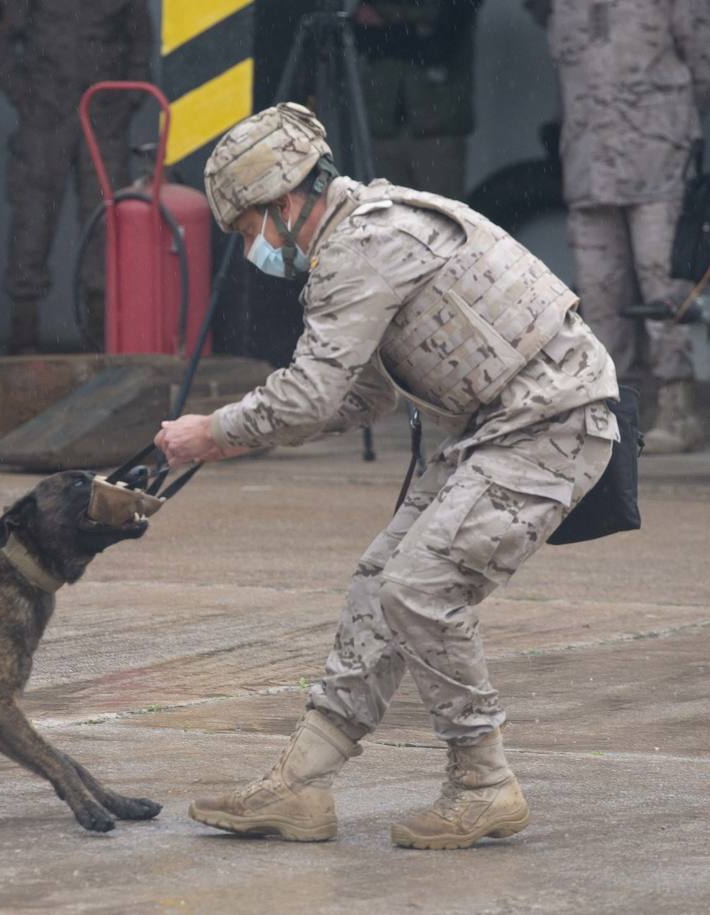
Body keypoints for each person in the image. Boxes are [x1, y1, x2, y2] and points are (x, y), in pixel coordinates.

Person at [157, 103, 618, 849]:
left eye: (247, 229)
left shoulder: (363, 245)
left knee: (420, 588)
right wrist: (256, 425)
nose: (253, 248)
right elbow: (362, 392)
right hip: (494, 427)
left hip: (548, 422)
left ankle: (483, 780)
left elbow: (311, 396)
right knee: (380, 583)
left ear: (281, 203)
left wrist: (213, 433)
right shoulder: (357, 235)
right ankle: (301, 783)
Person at [529, 0, 709, 453]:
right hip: (587, 158)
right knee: (599, 291)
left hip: (658, 157)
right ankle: (612, 409)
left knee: (663, 282)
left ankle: (677, 407)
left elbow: (703, 60)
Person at [0, 0, 152, 353]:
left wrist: (129, 99)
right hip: (46, 115)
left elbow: (140, 37)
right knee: (33, 217)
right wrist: (24, 97)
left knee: (106, 220)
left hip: (104, 116)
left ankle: (101, 330)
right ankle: (24, 329)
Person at [353, 0, 483, 200]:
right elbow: (359, 35)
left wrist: (386, 27)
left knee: (441, 222)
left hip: (437, 127)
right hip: (384, 125)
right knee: (387, 222)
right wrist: (415, 29)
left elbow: (440, 44)